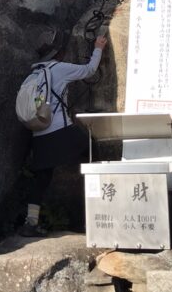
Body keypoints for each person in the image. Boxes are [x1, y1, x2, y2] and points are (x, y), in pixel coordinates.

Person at [19, 34, 108, 237]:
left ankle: (30, 222)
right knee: (93, 149)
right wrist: (98, 48)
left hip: (38, 134)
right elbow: (89, 71)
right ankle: (102, 211)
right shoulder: (58, 68)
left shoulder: (33, 75)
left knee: (41, 177)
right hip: (60, 129)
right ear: (56, 55)